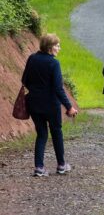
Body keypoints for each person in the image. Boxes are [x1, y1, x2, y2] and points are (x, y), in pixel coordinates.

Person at [22, 34, 78, 177]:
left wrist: (36, 90)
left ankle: (39, 167)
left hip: (33, 103)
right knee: (56, 133)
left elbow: (25, 80)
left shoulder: (32, 59)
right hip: (51, 105)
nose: (59, 48)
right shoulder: (54, 63)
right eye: (57, 45)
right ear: (50, 47)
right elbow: (58, 88)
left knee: (41, 134)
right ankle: (61, 165)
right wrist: (69, 107)